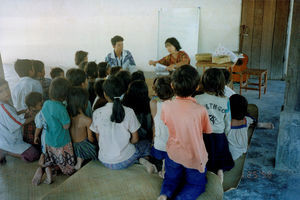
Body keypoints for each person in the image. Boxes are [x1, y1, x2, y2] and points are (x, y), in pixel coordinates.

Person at [157, 65, 212, 200]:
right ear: (197, 88)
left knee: (171, 179)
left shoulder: (166, 105)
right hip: (194, 156)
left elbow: (166, 122)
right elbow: (207, 131)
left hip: (173, 153)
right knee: (196, 184)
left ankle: (164, 195)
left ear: (172, 86)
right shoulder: (200, 110)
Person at [90, 77, 156, 173]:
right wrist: (125, 143)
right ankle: (143, 160)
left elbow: (99, 138)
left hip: (105, 160)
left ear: (105, 94)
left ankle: (141, 160)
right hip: (126, 160)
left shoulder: (97, 112)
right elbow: (135, 139)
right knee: (146, 143)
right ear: (123, 93)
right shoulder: (129, 111)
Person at [32, 78, 75, 186]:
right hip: (61, 140)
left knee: (52, 157)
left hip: (49, 139)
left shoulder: (46, 103)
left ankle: (47, 170)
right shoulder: (61, 108)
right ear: (65, 94)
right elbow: (66, 126)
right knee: (65, 160)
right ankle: (66, 170)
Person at [195, 68, 234, 183]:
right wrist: (225, 134)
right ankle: (220, 172)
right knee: (220, 161)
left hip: (203, 136)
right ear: (222, 83)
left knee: (204, 160)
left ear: (203, 82)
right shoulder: (226, 100)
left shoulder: (197, 99)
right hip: (219, 137)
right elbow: (228, 121)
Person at [0, 78, 40, 164]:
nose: (6, 93)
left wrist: (23, 111)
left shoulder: (4, 102)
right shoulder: (3, 107)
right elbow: (20, 123)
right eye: (1, 91)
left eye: (7, 88)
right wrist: (35, 116)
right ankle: (7, 152)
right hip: (11, 140)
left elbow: (12, 114)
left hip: (4, 138)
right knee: (34, 154)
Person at [228, 94, 274, 160]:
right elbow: (254, 122)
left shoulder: (226, 122)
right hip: (243, 149)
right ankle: (262, 125)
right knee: (254, 124)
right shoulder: (247, 120)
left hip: (230, 155)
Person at [67, 87, 97, 170]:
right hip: (84, 146)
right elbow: (90, 138)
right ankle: (81, 158)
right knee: (93, 147)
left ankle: (78, 159)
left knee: (77, 148)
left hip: (71, 146)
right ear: (85, 104)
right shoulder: (87, 120)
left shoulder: (67, 117)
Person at [150, 76, 174, 178]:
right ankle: (168, 167)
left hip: (159, 145)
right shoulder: (178, 104)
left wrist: (153, 141)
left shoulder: (153, 103)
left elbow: (155, 125)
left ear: (156, 92)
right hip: (174, 147)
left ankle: (163, 166)